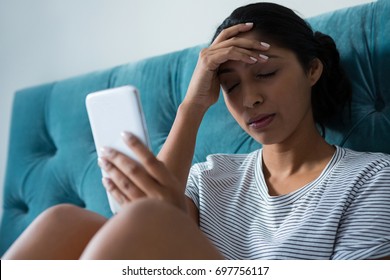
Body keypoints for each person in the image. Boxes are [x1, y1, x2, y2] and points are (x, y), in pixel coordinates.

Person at [3, 2, 390, 260]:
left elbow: (148, 221)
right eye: (231, 85)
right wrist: (192, 107)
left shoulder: (372, 178)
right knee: (64, 220)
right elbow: (148, 218)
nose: (250, 98)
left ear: (312, 70)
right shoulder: (211, 177)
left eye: (266, 73)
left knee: (146, 219)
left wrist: (161, 221)